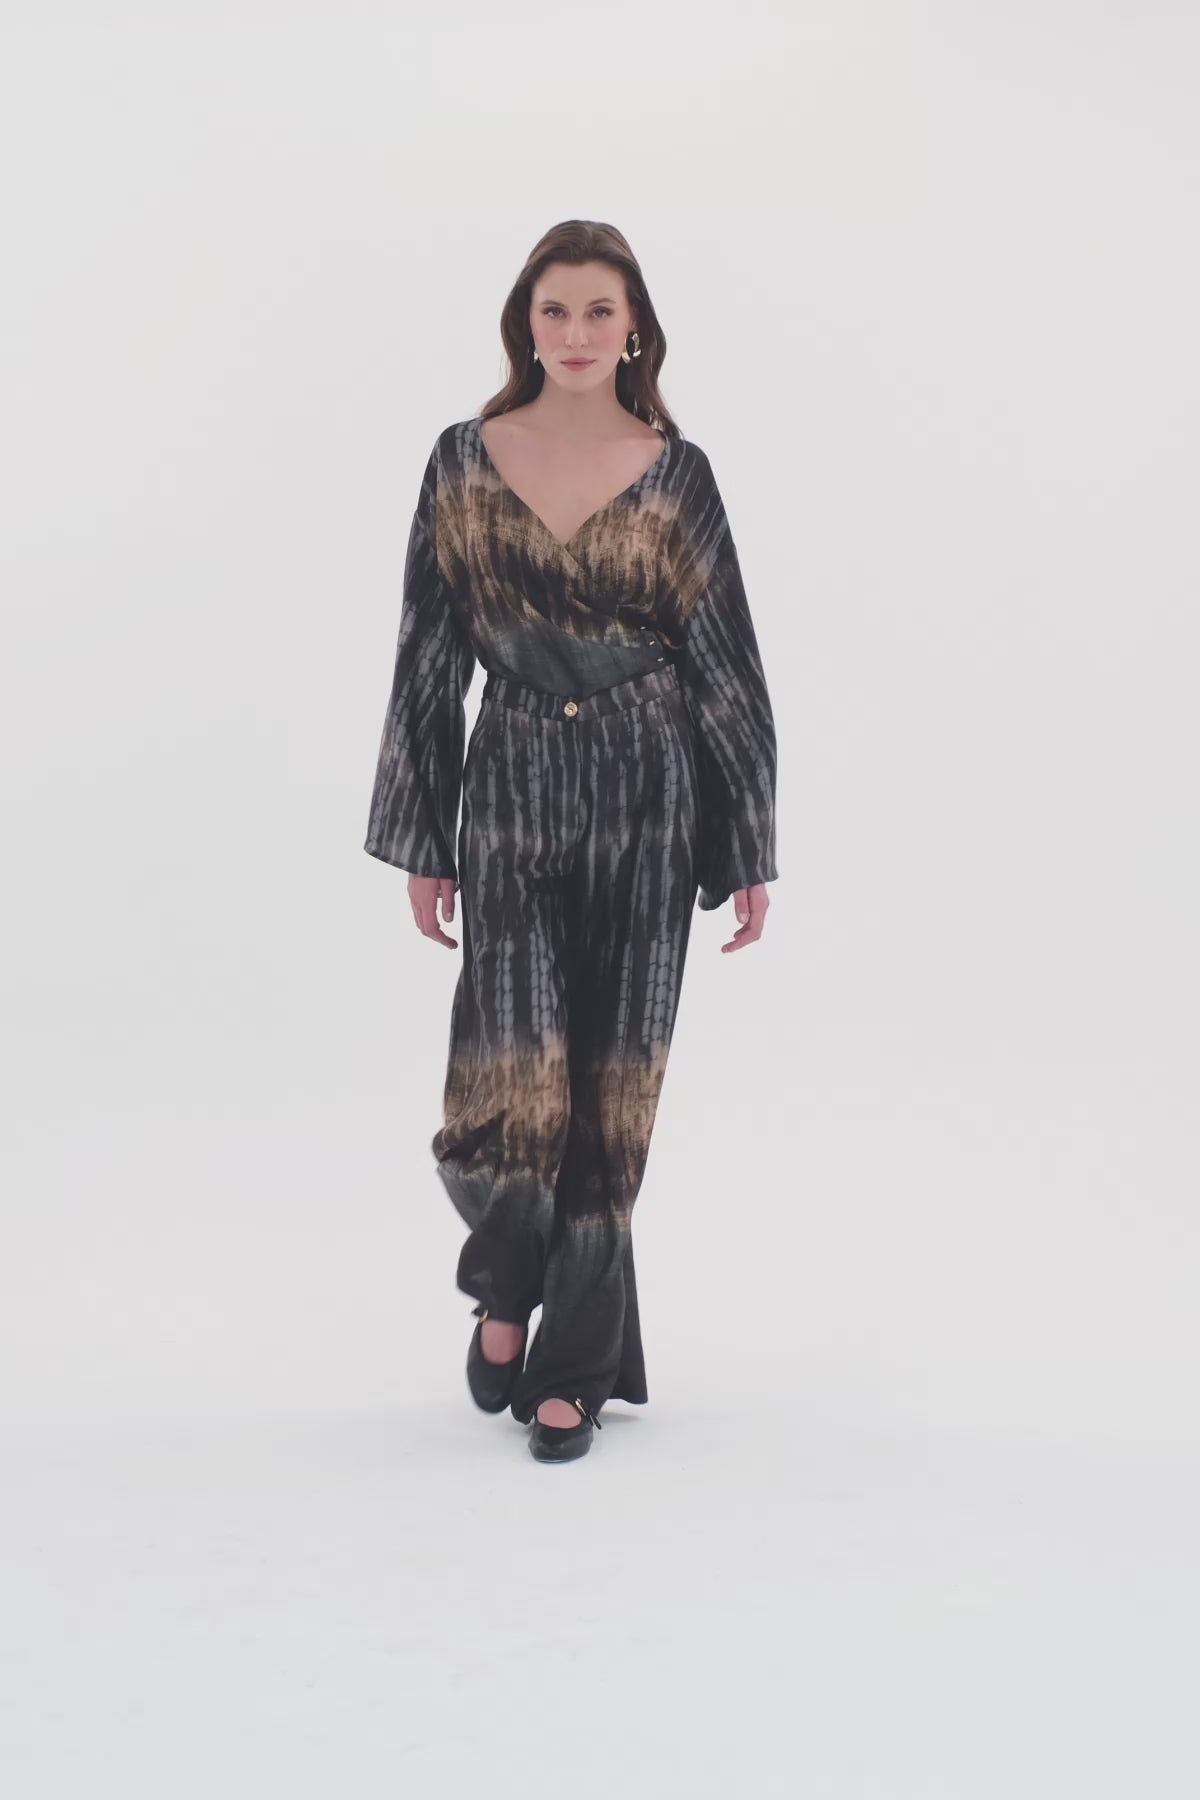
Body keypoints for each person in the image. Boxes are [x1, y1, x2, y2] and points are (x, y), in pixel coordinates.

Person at [364, 220, 779, 1463]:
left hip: (652, 791)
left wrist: (746, 842)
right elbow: (427, 653)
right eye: (557, 310)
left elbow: (726, 664)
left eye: (602, 311)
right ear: (525, 324)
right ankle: (505, 1283)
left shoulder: (678, 474)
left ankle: (575, 1368)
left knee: (613, 1086)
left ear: (634, 326)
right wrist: (424, 835)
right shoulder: (462, 459)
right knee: (511, 1076)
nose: (579, 333)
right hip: (510, 785)